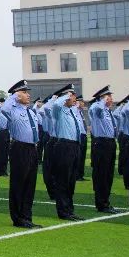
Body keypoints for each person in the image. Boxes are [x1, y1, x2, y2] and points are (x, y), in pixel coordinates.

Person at [0, 80, 42, 228]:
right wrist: (13, 97)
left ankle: (27, 216)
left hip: (32, 148)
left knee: (30, 184)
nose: (28, 95)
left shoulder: (30, 111)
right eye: (24, 92)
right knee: (18, 184)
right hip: (20, 148)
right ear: (17, 94)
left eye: (27, 92)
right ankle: (18, 218)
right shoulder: (12, 110)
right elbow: (3, 109)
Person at [45, 85, 84, 221]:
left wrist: (70, 97)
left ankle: (69, 209)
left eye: (73, 95)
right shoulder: (59, 111)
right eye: (71, 95)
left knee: (71, 180)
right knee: (63, 180)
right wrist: (65, 95)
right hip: (64, 146)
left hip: (74, 146)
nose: (74, 98)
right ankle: (63, 211)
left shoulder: (72, 110)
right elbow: (54, 105)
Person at [87, 86, 120, 213]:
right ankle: (101, 204)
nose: (111, 99)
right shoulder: (96, 107)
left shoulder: (108, 111)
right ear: (103, 97)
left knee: (108, 175)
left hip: (110, 143)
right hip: (101, 143)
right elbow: (97, 109)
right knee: (102, 174)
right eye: (109, 96)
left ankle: (106, 201)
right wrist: (102, 100)